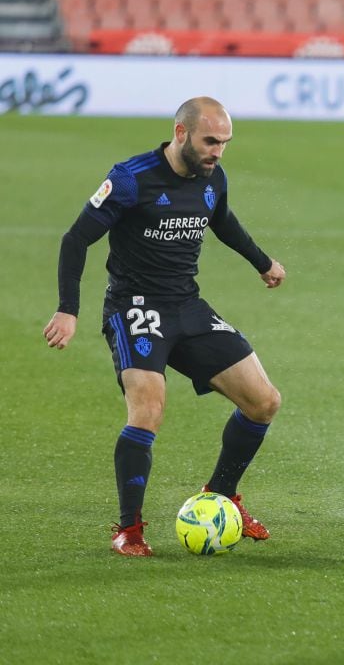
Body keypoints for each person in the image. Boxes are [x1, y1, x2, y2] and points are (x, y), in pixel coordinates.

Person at [42, 97, 286, 557]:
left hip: (186, 306)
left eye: (225, 143)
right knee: (148, 409)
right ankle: (129, 529)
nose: (218, 151)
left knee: (264, 401)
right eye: (210, 141)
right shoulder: (131, 178)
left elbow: (222, 221)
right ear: (181, 133)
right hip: (134, 307)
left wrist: (263, 263)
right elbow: (76, 238)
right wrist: (67, 308)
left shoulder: (214, 178)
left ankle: (220, 495)